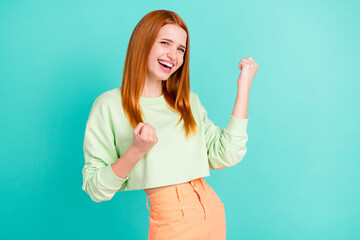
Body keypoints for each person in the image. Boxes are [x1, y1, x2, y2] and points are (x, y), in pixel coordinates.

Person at [81, 9, 258, 240]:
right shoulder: (109, 105)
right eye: (165, 43)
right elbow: (96, 188)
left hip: (212, 213)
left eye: (181, 49)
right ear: (142, 43)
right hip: (172, 222)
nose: (173, 56)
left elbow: (227, 154)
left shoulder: (187, 102)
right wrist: (136, 151)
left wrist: (244, 86)